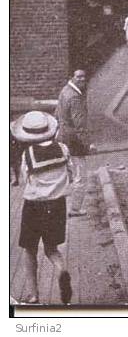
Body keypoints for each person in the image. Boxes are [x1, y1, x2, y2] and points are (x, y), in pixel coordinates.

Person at [11, 111, 76, 304]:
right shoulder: (63, 149)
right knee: (51, 249)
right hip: (57, 206)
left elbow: (25, 180)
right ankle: (61, 269)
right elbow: (70, 173)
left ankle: (33, 295)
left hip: (34, 207)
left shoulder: (28, 155)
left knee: (30, 249)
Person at [54, 69, 90, 217]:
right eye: (78, 77)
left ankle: (60, 202)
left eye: (83, 76)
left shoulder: (65, 90)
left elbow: (57, 112)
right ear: (72, 77)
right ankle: (75, 209)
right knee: (80, 174)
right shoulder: (75, 97)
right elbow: (79, 123)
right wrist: (87, 143)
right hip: (74, 139)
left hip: (62, 136)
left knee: (66, 171)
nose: (82, 79)